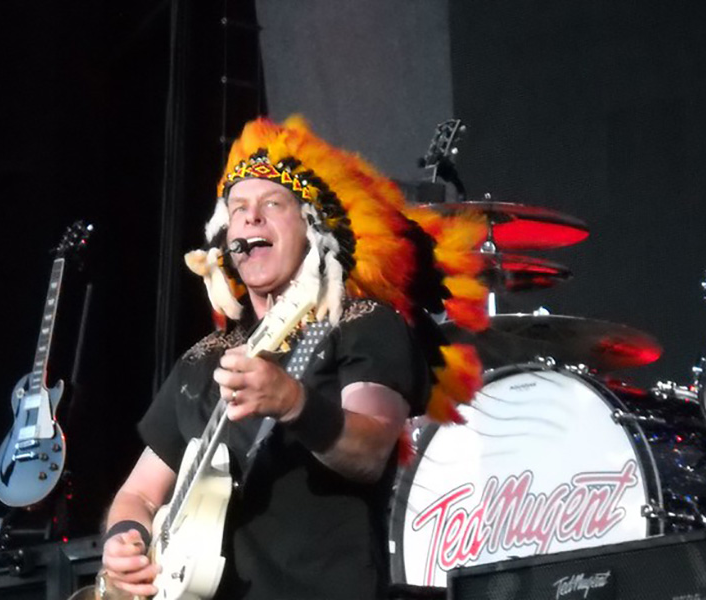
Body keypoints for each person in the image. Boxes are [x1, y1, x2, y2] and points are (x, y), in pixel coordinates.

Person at [99, 116, 488, 600]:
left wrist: (293, 403)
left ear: (313, 228)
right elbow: (137, 494)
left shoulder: (362, 321)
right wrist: (124, 539)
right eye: (238, 208)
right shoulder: (203, 360)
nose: (251, 217)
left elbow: (370, 451)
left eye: (272, 204)